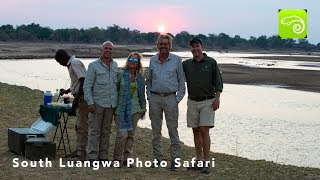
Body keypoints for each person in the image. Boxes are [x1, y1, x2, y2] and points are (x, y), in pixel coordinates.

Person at [182, 37, 223, 174]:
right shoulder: (187, 64)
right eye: (192, 46)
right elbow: (176, 76)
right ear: (190, 49)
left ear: (201, 46)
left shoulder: (211, 62)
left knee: (205, 130)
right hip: (192, 101)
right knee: (196, 131)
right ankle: (198, 161)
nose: (195, 49)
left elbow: (218, 82)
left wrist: (217, 99)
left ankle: (206, 162)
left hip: (208, 101)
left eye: (197, 46)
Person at [146, 34, 186, 171]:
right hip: (155, 99)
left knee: (172, 130)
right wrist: (149, 97)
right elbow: (149, 81)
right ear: (157, 45)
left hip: (171, 99)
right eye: (161, 44)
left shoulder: (176, 60)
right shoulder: (152, 60)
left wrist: (177, 99)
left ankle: (175, 160)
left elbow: (182, 81)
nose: (163, 46)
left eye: (166, 44)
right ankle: (158, 159)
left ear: (170, 45)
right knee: (156, 131)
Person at [83, 41, 119, 163]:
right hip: (97, 104)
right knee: (94, 131)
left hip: (111, 104)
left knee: (106, 131)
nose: (108, 50)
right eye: (106, 48)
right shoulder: (93, 66)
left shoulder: (115, 65)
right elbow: (87, 86)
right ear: (101, 50)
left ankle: (103, 157)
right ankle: (92, 157)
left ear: (113, 51)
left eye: (110, 49)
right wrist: (90, 102)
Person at [113, 52, 146, 167]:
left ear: (138, 63)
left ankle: (127, 159)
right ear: (128, 61)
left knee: (131, 134)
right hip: (121, 108)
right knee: (122, 134)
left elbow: (142, 94)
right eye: (131, 60)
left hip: (135, 109)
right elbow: (115, 91)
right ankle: (117, 159)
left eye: (136, 61)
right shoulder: (121, 73)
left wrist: (143, 108)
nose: (133, 62)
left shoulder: (140, 77)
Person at [54, 49, 89, 161]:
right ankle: (79, 150)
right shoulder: (72, 64)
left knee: (82, 127)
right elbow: (77, 82)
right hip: (79, 97)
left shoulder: (74, 63)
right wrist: (67, 91)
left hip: (83, 99)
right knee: (78, 126)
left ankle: (81, 155)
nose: (61, 65)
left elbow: (84, 81)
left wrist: (76, 100)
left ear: (63, 58)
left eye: (60, 62)